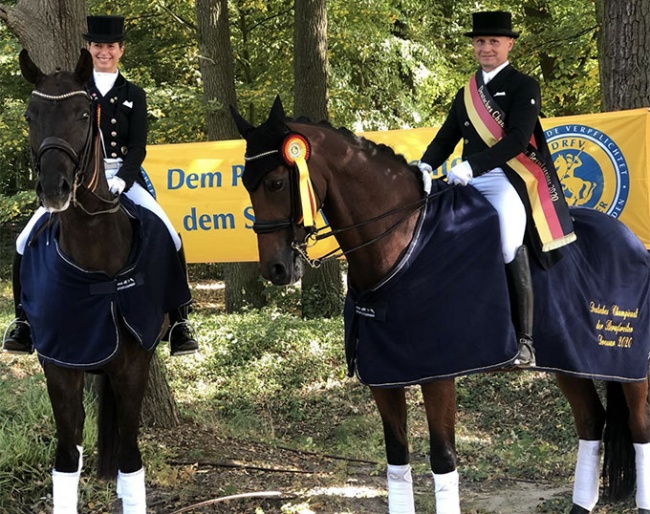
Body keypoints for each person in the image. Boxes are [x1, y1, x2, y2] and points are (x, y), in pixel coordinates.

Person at [3, 15, 198, 357]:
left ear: (120, 50)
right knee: (24, 238)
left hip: (125, 175)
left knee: (170, 233)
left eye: (110, 46)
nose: (104, 52)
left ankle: (181, 321)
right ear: (90, 49)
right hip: (78, 175)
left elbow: (138, 145)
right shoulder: (76, 88)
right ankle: (22, 321)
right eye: (97, 46)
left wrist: (124, 176)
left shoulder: (133, 94)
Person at [418, 11, 576, 368]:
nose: (486, 47)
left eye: (493, 41)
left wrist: (473, 165)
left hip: (507, 178)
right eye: (480, 41)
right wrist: (426, 164)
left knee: (507, 242)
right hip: (467, 179)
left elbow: (519, 139)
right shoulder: (466, 93)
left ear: (509, 44)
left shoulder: (523, 85)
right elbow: (446, 137)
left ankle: (525, 342)